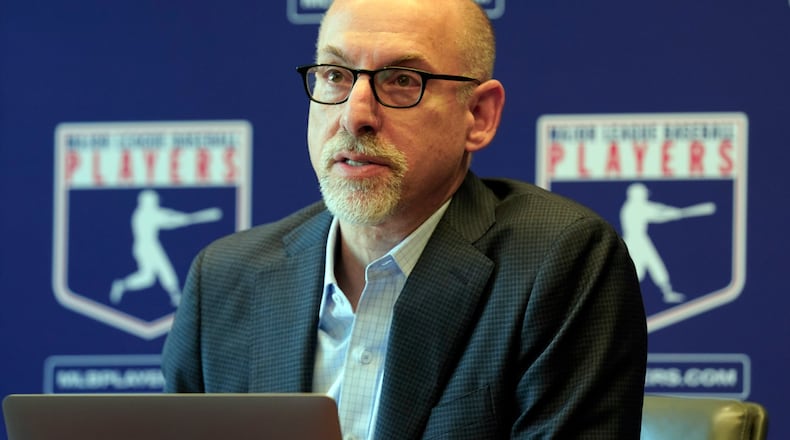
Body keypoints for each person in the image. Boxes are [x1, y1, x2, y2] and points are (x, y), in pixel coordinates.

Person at [162, 0, 648, 438]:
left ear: (478, 115)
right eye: (334, 75)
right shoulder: (225, 278)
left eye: (401, 81)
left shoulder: (559, 263)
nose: (355, 116)